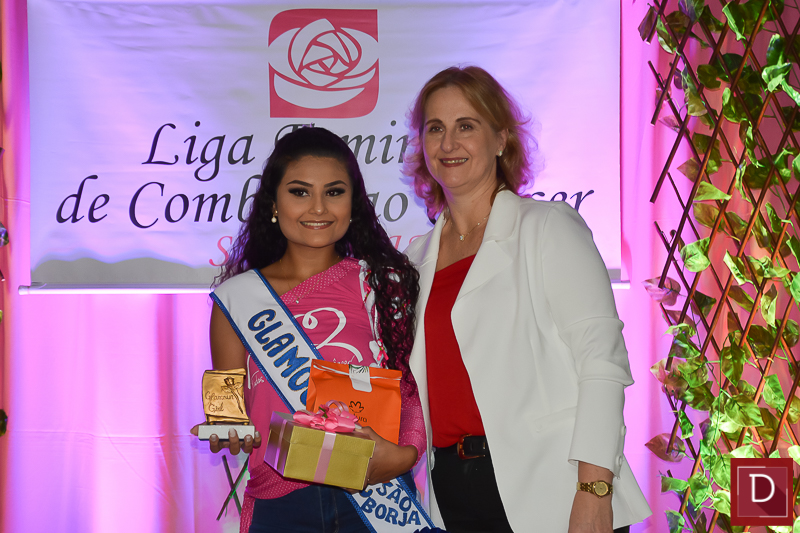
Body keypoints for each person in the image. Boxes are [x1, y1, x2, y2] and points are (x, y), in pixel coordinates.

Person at [401, 66, 652, 533]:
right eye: (435, 128)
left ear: (501, 139)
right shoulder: (414, 261)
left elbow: (602, 363)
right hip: (451, 492)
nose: (449, 143)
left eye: (466, 126)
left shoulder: (547, 227)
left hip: (555, 488)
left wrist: (594, 489)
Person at [194, 126, 426, 533]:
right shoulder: (237, 299)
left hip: (375, 495)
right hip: (280, 502)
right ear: (273, 203)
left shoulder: (382, 284)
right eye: (300, 192)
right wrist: (228, 430)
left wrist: (406, 454)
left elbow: (413, 388)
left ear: (354, 204)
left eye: (334, 192)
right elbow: (228, 414)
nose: (318, 208)